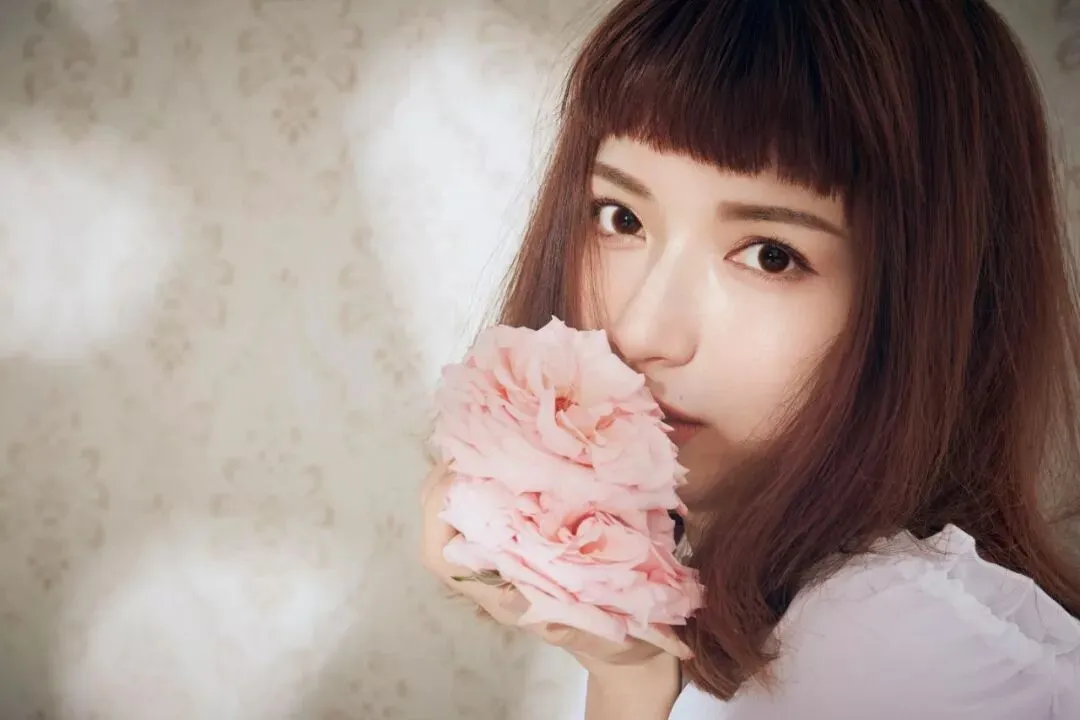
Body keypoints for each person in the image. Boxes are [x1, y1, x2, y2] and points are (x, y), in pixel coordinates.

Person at [420, 0, 1080, 717]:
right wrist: (625, 670)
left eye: (770, 255)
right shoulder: (771, 602)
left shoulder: (902, 652)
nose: (641, 331)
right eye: (622, 218)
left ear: (933, 303)